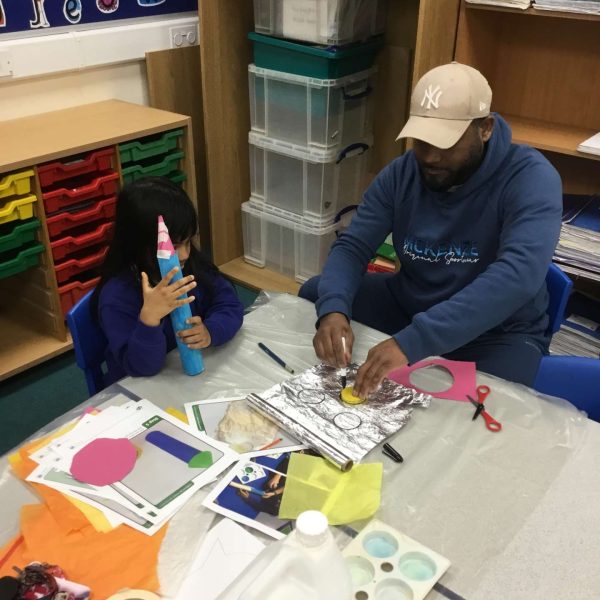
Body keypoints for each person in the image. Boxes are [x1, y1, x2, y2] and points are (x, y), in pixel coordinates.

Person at [299, 62, 562, 396]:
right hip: (412, 305)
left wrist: (413, 341)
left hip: (497, 330)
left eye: (446, 143)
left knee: (488, 412)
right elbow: (353, 247)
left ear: (485, 128)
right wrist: (334, 309)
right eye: (422, 141)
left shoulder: (531, 178)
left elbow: (518, 276)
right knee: (319, 294)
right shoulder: (402, 173)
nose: (431, 157)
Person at [91, 176, 244, 385]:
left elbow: (228, 302)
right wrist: (150, 319)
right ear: (139, 245)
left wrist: (211, 330)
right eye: (175, 246)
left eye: (188, 242)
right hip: (142, 388)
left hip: (189, 377)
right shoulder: (117, 297)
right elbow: (142, 368)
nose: (185, 255)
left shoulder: (192, 267)